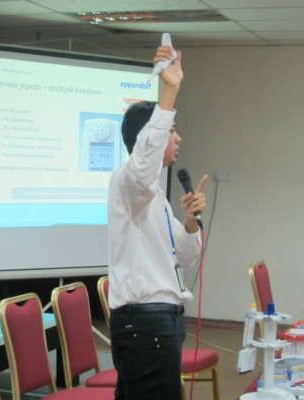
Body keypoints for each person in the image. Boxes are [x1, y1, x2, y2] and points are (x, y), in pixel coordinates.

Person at [107, 45, 208, 399]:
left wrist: (191, 222)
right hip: (146, 324)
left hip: (160, 321)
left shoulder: (154, 197)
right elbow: (146, 151)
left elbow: (185, 256)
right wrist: (171, 88)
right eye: (172, 130)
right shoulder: (130, 181)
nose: (178, 137)